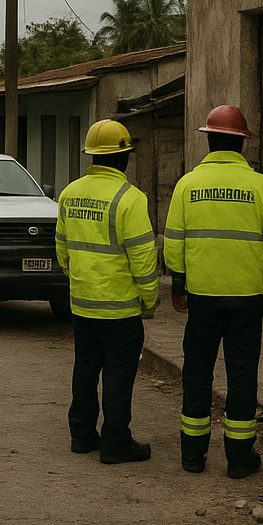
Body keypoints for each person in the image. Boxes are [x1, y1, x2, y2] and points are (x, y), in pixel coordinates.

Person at [164, 105, 263, 478]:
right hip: (248, 298)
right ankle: (238, 458)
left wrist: (179, 287)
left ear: (209, 140)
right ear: (242, 144)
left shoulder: (187, 184)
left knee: (197, 371)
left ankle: (192, 456)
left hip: (201, 296)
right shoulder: (262, 186)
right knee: (243, 372)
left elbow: (173, 243)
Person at [55, 119, 159, 464]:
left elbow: (62, 250)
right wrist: (149, 300)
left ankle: (82, 435)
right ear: (124, 157)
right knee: (118, 375)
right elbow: (143, 258)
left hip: (83, 306)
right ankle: (116, 442)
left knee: (85, 369)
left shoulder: (69, 193)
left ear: (92, 157)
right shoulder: (130, 199)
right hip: (121, 311)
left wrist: (81, 279)